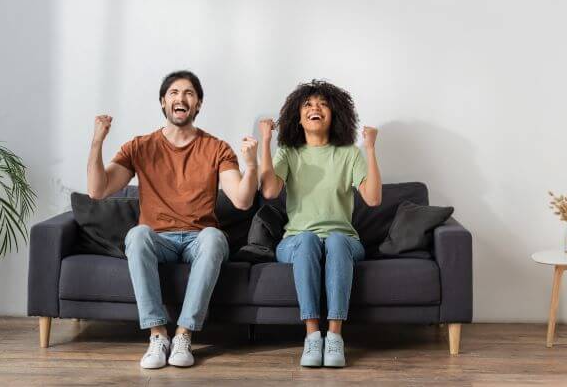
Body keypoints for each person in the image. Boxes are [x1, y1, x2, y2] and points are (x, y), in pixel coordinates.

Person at [87, 70, 258, 369]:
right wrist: (96, 143)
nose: (181, 98)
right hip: (158, 239)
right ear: (163, 102)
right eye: (175, 93)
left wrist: (252, 164)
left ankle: (183, 335)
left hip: (198, 238)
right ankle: (157, 335)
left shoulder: (216, 148)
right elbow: (97, 190)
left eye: (189, 93)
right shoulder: (139, 146)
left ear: (199, 104)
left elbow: (242, 200)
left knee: (215, 237)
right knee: (137, 234)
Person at [259, 79, 381, 368]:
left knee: (337, 239)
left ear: (334, 114)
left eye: (323, 104)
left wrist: (371, 148)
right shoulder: (288, 152)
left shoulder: (349, 153)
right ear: (298, 117)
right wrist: (265, 142)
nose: (315, 108)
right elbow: (269, 192)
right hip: (297, 241)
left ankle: (335, 338)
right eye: (308, 105)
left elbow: (373, 199)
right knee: (309, 240)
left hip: (344, 241)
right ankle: (313, 337)